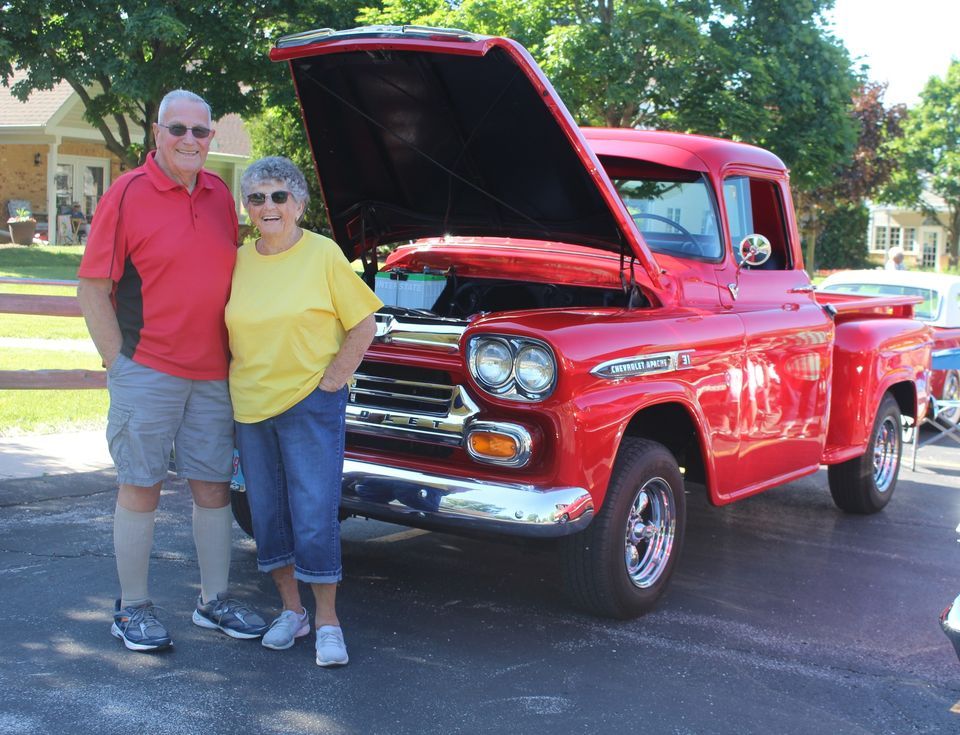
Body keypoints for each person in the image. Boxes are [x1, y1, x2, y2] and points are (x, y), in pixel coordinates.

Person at [77, 89, 267, 652]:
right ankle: (131, 608)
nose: (190, 140)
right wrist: (119, 363)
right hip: (149, 369)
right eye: (178, 129)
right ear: (157, 132)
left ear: (212, 137)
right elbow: (92, 286)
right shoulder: (127, 193)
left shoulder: (217, 195)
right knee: (141, 486)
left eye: (200, 131)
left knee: (212, 489)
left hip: (212, 375)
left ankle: (213, 601)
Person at [226, 156, 382, 667]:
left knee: (314, 514)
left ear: (299, 203)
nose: (268, 206)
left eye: (278, 196)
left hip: (309, 405)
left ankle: (328, 622)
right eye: (256, 197)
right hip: (251, 406)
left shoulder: (323, 254)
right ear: (247, 207)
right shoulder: (240, 259)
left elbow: (363, 325)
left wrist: (330, 383)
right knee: (267, 515)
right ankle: (290, 612)